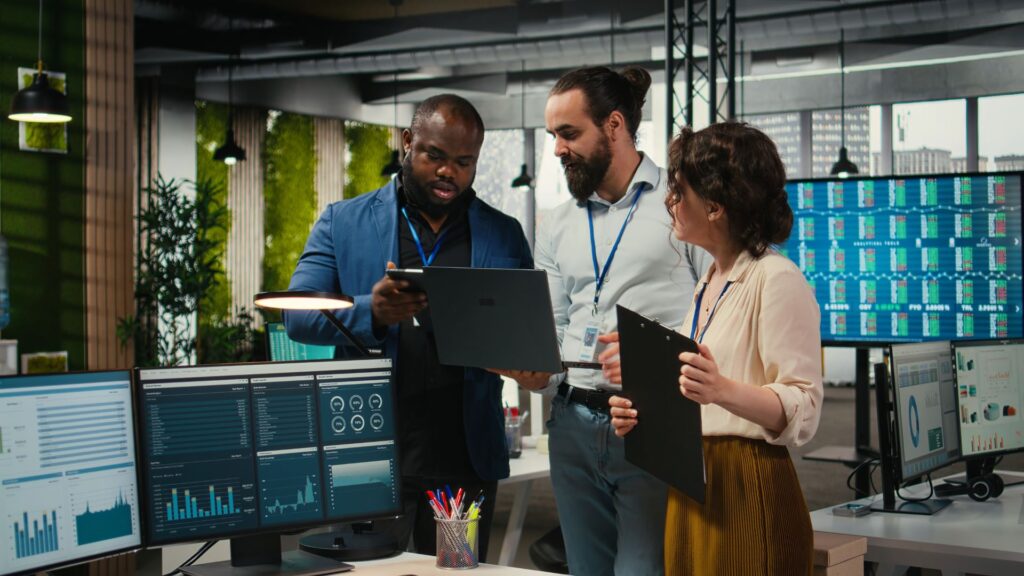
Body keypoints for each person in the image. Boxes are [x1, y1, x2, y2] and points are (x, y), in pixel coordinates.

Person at [284, 94, 533, 561]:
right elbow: (296, 314)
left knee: (458, 575)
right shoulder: (343, 222)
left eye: (464, 162)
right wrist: (370, 311)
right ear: (407, 143)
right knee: (369, 573)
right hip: (369, 457)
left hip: (465, 463)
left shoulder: (504, 234)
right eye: (435, 156)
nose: (448, 173)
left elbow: (524, 330)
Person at [497, 66, 709, 576]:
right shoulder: (558, 221)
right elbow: (552, 325)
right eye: (553, 135)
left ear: (614, 125)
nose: (556, 149)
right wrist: (534, 373)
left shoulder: (682, 204)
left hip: (650, 421)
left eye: (569, 133)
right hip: (571, 425)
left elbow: (717, 317)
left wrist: (650, 359)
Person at [608, 122, 823, 575]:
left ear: (716, 206)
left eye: (679, 192)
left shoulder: (776, 278)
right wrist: (640, 409)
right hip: (694, 479)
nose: (670, 203)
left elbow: (804, 407)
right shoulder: (709, 281)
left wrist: (722, 389)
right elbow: (696, 391)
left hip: (748, 481)